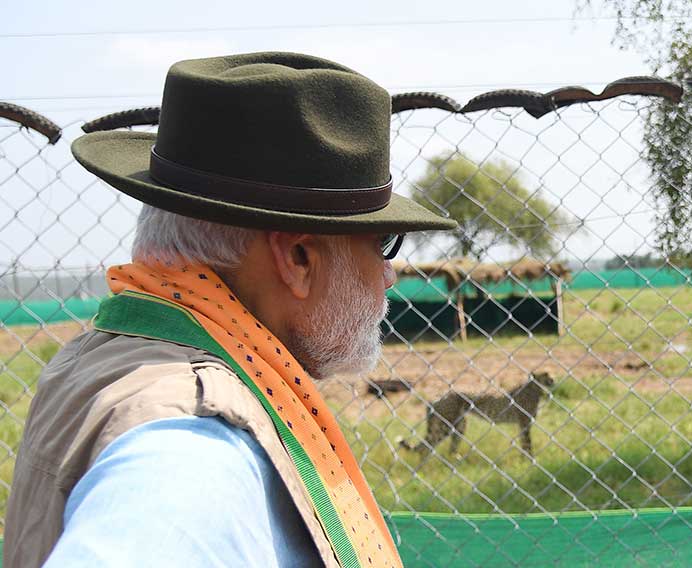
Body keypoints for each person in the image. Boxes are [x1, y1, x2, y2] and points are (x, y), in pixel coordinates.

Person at [4, 52, 455, 568]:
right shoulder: (195, 443)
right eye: (383, 244)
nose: (388, 274)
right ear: (298, 259)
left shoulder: (105, 356)